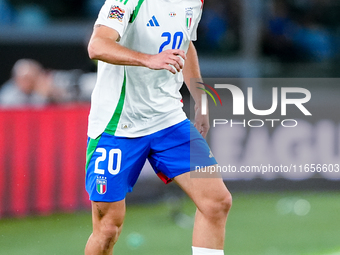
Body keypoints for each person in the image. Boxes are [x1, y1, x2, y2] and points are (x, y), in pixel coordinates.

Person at [84, 0, 232, 254]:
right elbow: (97, 45)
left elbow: (185, 44)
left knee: (216, 202)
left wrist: (200, 98)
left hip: (168, 119)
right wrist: (148, 59)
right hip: (117, 125)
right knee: (108, 229)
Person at [0, 58, 95, 107]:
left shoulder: (50, 85)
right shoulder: (9, 93)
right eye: (25, 78)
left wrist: (51, 94)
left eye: (32, 78)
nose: (28, 82)